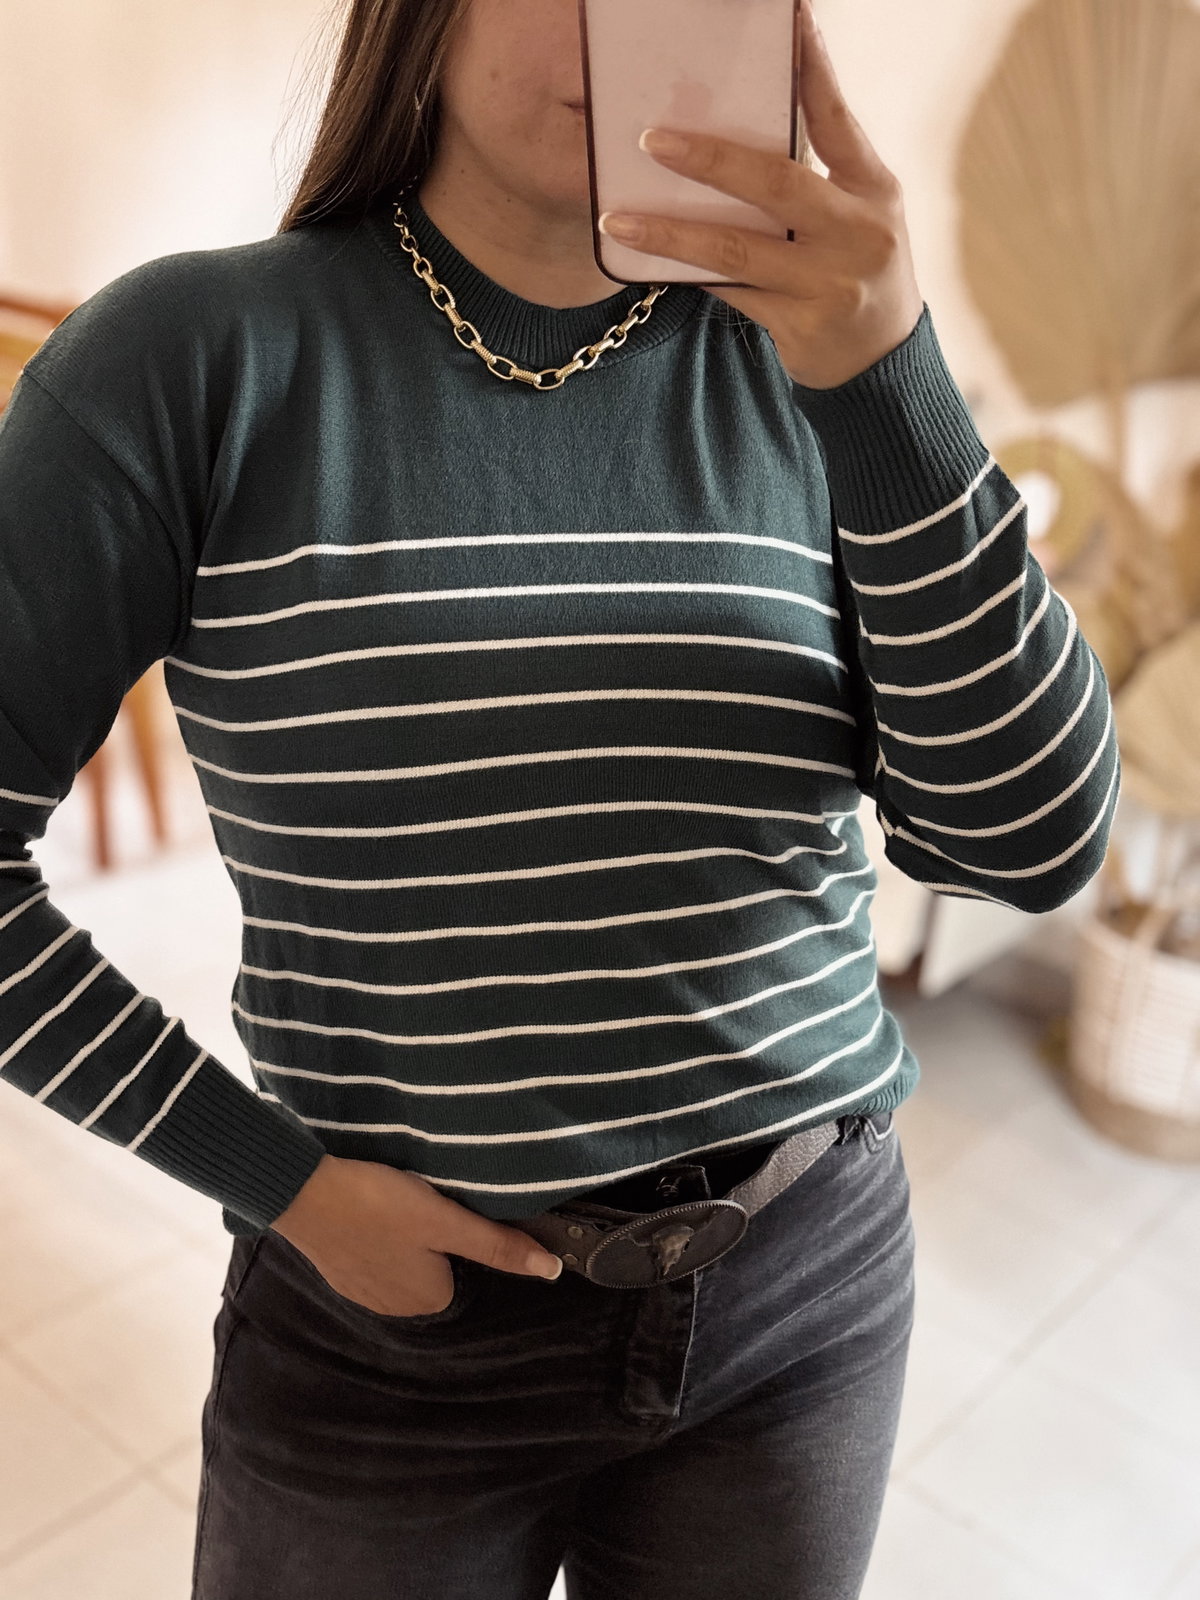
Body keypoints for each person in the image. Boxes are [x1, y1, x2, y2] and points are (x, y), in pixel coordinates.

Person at [0, 0, 1119, 1595]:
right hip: (391, 1339)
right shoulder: (194, 358)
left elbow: (1034, 842)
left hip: (801, 1292)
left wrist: (892, 389)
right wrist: (275, 1180)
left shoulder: (824, 370)